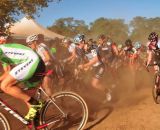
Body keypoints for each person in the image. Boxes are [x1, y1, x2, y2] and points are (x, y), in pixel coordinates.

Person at [0, 43, 45, 120]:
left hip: (32, 60)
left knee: (5, 86)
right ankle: (35, 122)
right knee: (22, 94)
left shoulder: (1, 49)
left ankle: (35, 104)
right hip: (34, 62)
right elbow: (7, 71)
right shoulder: (3, 57)